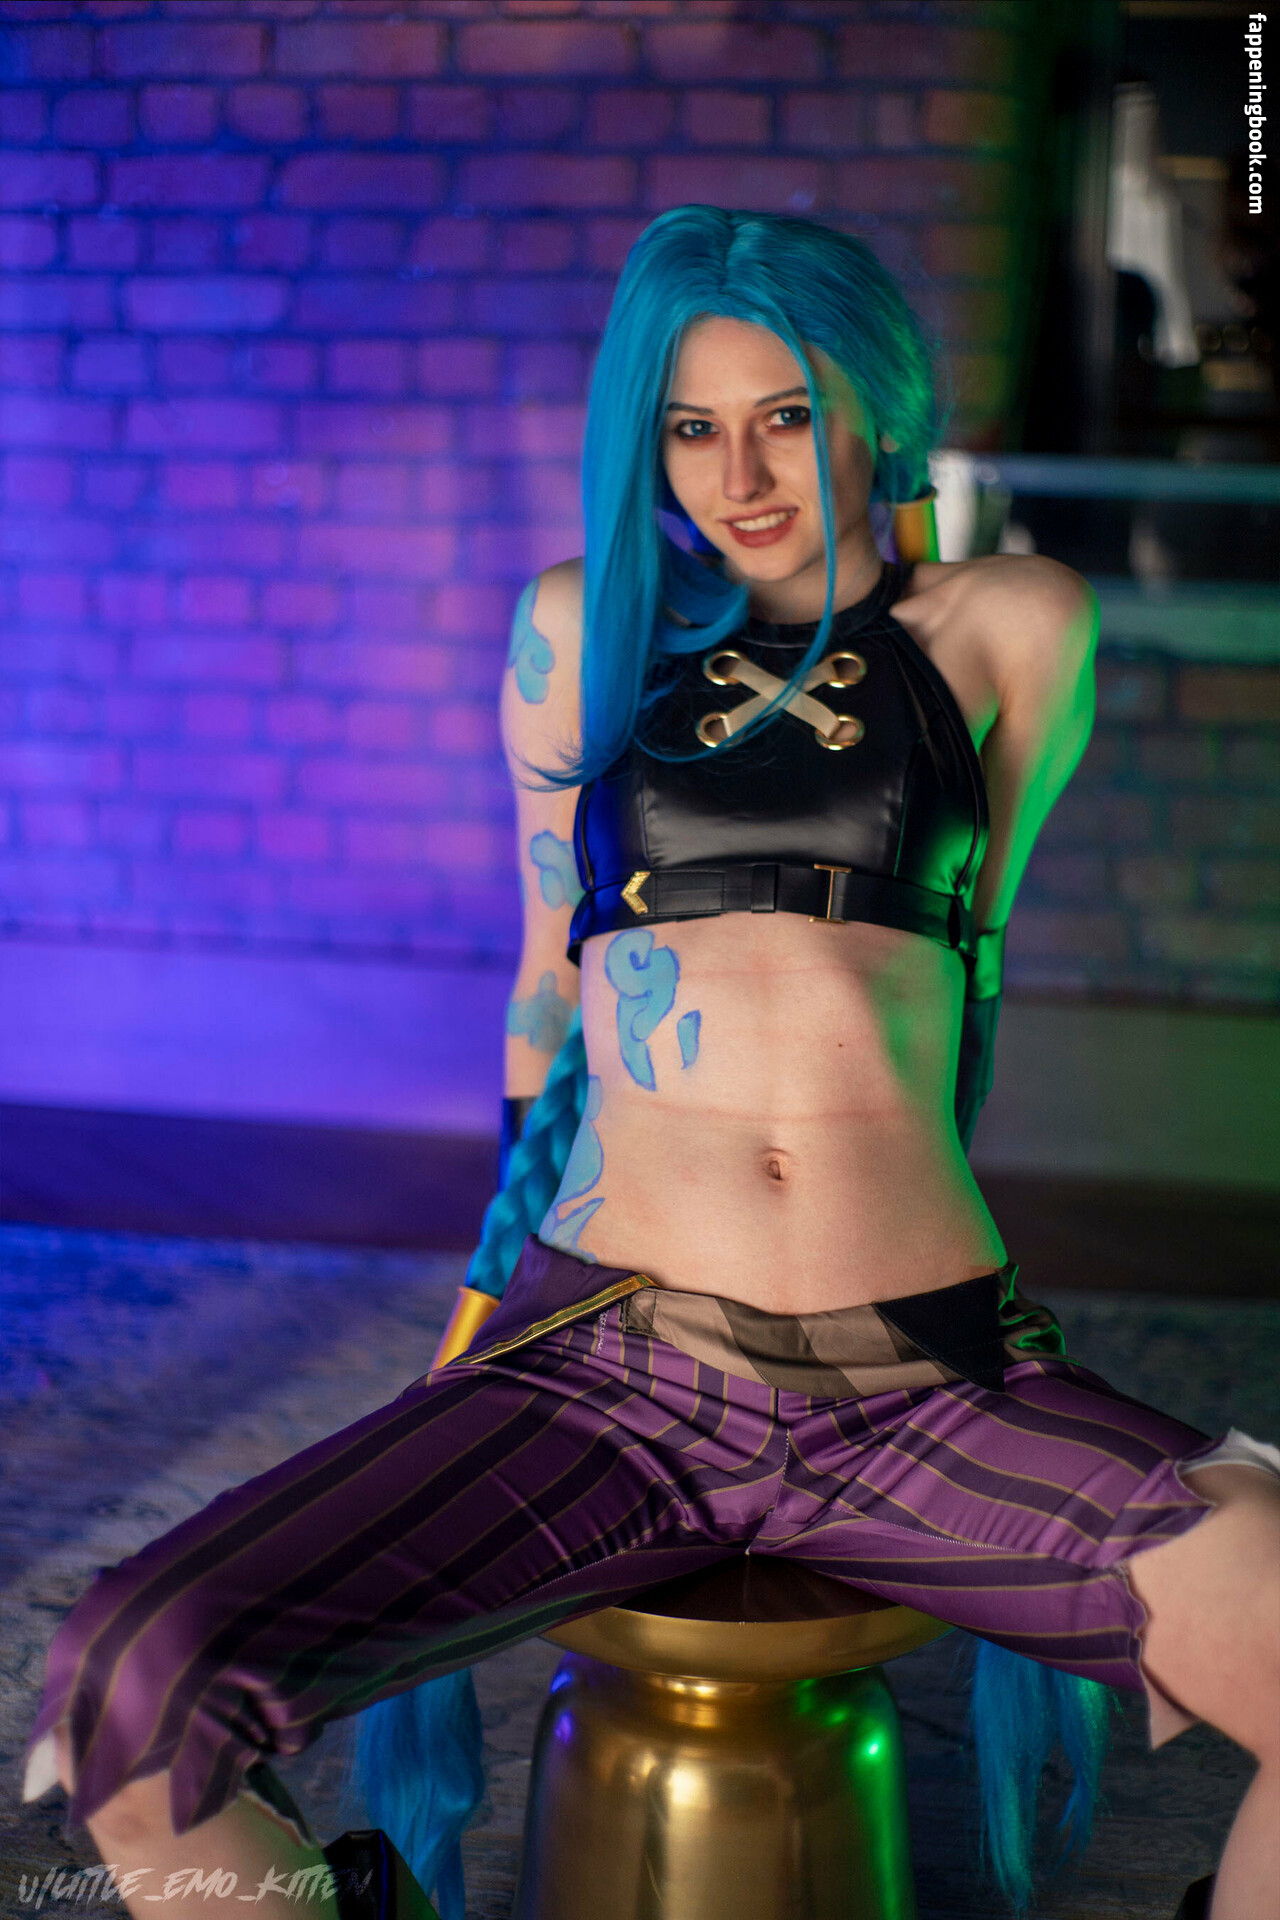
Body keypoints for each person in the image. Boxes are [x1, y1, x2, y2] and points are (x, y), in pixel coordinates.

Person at [23, 208, 1279, 1920]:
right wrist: (487, 1290)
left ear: (881, 413)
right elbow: (547, 982)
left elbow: (968, 961)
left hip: (924, 1379)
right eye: (692, 427)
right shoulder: (580, 634)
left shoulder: (1012, 622)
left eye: (787, 415)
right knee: (123, 1692)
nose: (738, 475)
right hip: (614, 1363)